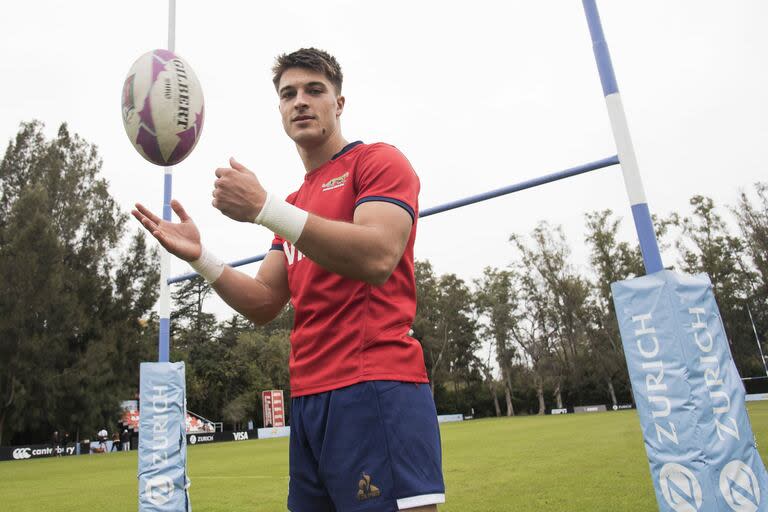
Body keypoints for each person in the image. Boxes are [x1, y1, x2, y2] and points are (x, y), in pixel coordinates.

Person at [133, 48, 444, 512]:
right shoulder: (297, 202)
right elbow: (263, 302)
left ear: (339, 103)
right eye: (288, 94)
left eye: (315, 90)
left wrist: (265, 209)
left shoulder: (377, 161)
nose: (300, 101)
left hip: (374, 386)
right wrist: (202, 257)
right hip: (309, 401)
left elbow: (379, 255)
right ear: (279, 109)